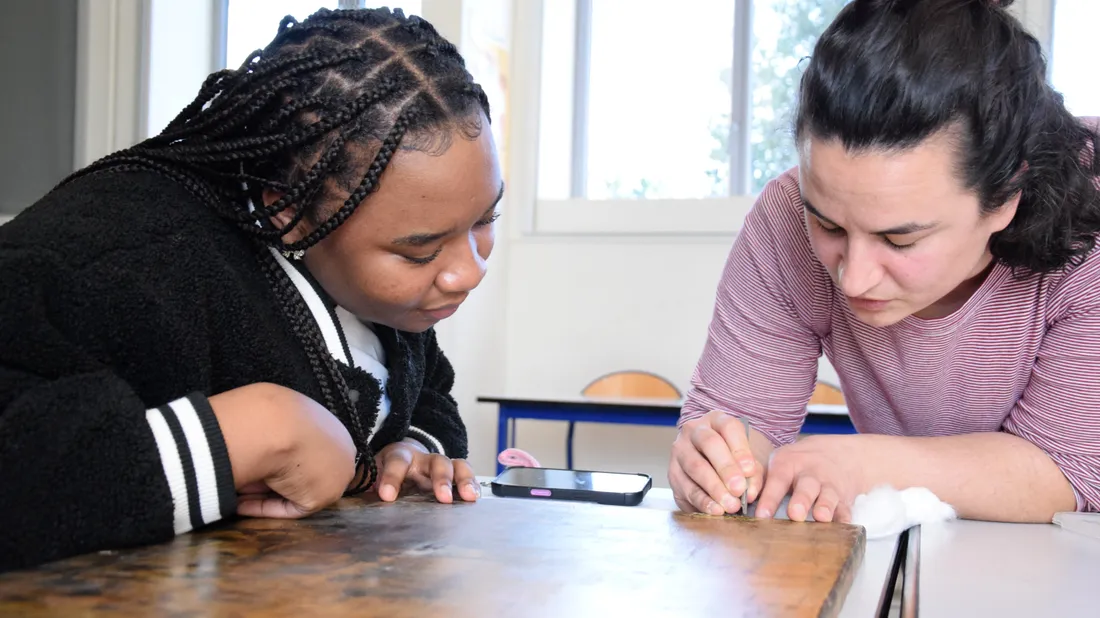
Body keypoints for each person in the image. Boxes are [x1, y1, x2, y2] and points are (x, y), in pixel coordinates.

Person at [0, 7, 502, 572]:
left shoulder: (392, 300)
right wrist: (245, 434)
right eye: (420, 250)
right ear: (287, 209)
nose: (470, 270)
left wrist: (412, 450)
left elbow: (428, 389)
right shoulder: (119, 258)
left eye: (488, 217)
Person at [670, 0, 1100, 524]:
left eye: (899, 240)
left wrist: (863, 462)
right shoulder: (784, 219)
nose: (853, 278)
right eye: (827, 225)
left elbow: (1068, 467)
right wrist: (716, 464)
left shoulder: (1092, 222)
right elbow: (741, 420)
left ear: (1007, 196)